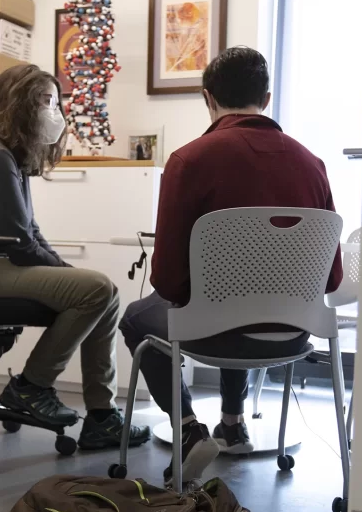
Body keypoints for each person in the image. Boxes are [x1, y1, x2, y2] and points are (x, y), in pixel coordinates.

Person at [119, 47, 343, 484]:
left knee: (137, 318)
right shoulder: (313, 165)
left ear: (208, 98)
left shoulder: (190, 160)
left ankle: (187, 430)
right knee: (228, 302)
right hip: (291, 336)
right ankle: (233, 423)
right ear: (267, 98)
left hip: (215, 333)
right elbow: (331, 278)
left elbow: (168, 281)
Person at [0, 64, 150, 450]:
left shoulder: (5, 153)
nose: (54, 113)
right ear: (18, 105)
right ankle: (31, 386)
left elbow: (29, 230)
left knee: (103, 292)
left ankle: (101, 416)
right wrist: (64, 272)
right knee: (96, 290)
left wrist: (63, 269)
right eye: (45, 102)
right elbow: (20, 244)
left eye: (56, 103)